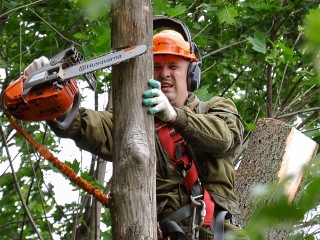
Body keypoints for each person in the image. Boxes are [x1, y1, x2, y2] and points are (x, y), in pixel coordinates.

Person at [25, 19, 246, 240]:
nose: (164, 73)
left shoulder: (215, 108)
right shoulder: (132, 122)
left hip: (220, 232)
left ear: (191, 73)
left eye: (173, 66)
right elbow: (81, 125)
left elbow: (224, 138)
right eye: (157, 67)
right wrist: (51, 96)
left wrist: (174, 116)